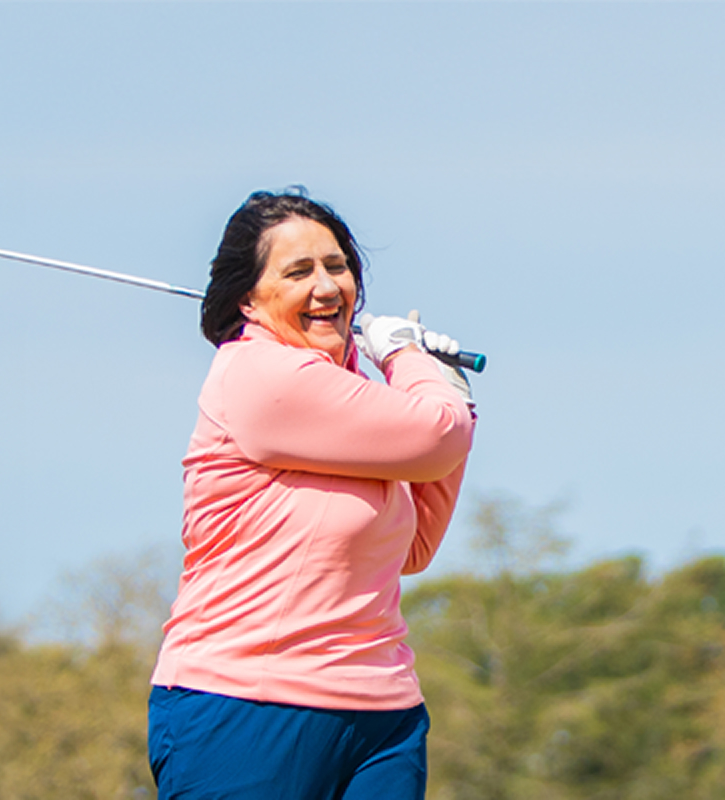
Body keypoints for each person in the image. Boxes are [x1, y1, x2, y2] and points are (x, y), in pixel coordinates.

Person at [148, 189, 478, 799]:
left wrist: (450, 391)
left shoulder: (352, 395)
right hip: (246, 704)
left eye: (337, 266)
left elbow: (413, 546)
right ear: (248, 299)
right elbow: (438, 436)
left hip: (383, 716)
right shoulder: (258, 375)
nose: (327, 287)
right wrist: (407, 357)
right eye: (298, 272)